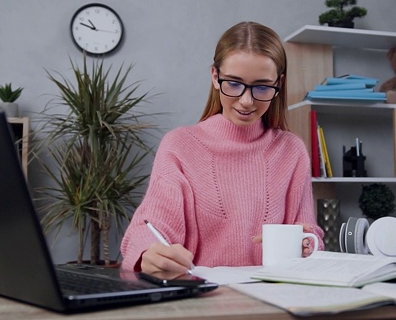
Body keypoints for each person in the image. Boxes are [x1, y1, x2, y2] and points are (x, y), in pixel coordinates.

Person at [120, 21, 324, 274]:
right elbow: (150, 227)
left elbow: (308, 232)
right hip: (203, 300)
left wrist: (309, 243)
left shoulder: (291, 151)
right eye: (234, 84)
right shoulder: (179, 146)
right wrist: (147, 253)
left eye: (262, 87)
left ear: (278, 84)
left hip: (274, 299)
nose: (246, 101)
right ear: (215, 77)